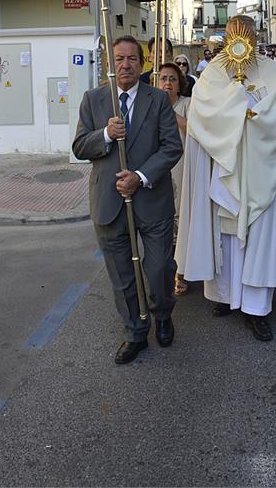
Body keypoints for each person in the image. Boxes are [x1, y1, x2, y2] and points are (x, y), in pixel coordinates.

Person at [175, 16, 276, 342]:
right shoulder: (212, 73)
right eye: (235, 33)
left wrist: (256, 116)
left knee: (259, 236)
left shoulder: (272, 70)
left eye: (246, 33)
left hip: (263, 168)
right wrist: (236, 106)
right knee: (225, 236)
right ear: (226, 37)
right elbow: (200, 115)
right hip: (225, 169)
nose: (241, 38)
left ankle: (256, 309)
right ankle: (224, 296)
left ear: (256, 36)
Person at [72, 36, 183, 365]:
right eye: (119, 59)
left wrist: (140, 176)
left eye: (132, 59)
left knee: (160, 267)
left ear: (142, 62)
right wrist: (105, 135)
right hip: (108, 200)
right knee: (122, 275)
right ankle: (135, 331)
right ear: (110, 63)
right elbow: (79, 146)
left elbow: (171, 148)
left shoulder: (158, 99)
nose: (125, 65)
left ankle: (162, 315)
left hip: (152, 198)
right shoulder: (93, 100)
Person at [158, 61, 191, 295]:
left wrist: (169, 110)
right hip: (159, 170)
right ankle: (163, 270)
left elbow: (193, 129)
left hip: (182, 167)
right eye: (163, 78)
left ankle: (181, 272)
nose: (167, 83)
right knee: (162, 223)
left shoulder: (187, 105)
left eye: (172, 79)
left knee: (181, 220)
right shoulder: (150, 106)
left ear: (179, 84)